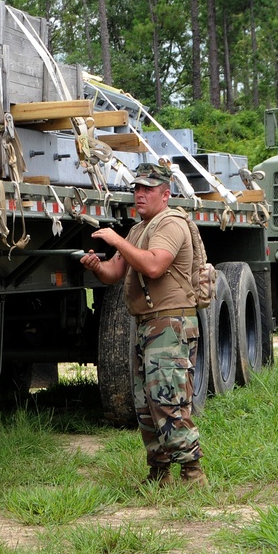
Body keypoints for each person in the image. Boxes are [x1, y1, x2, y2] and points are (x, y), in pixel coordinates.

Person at [80, 164, 207, 487]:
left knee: (168, 396)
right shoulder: (139, 230)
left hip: (171, 323)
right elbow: (114, 272)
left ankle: (193, 473)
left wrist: (114, 239)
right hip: (148, 324)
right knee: (146, 402)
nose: (139, 194)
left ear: (166, 195)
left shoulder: (170, 223)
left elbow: (153, 265)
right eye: (136, 188)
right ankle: (159, 472)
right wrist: (97, 267)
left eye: (148, 189)